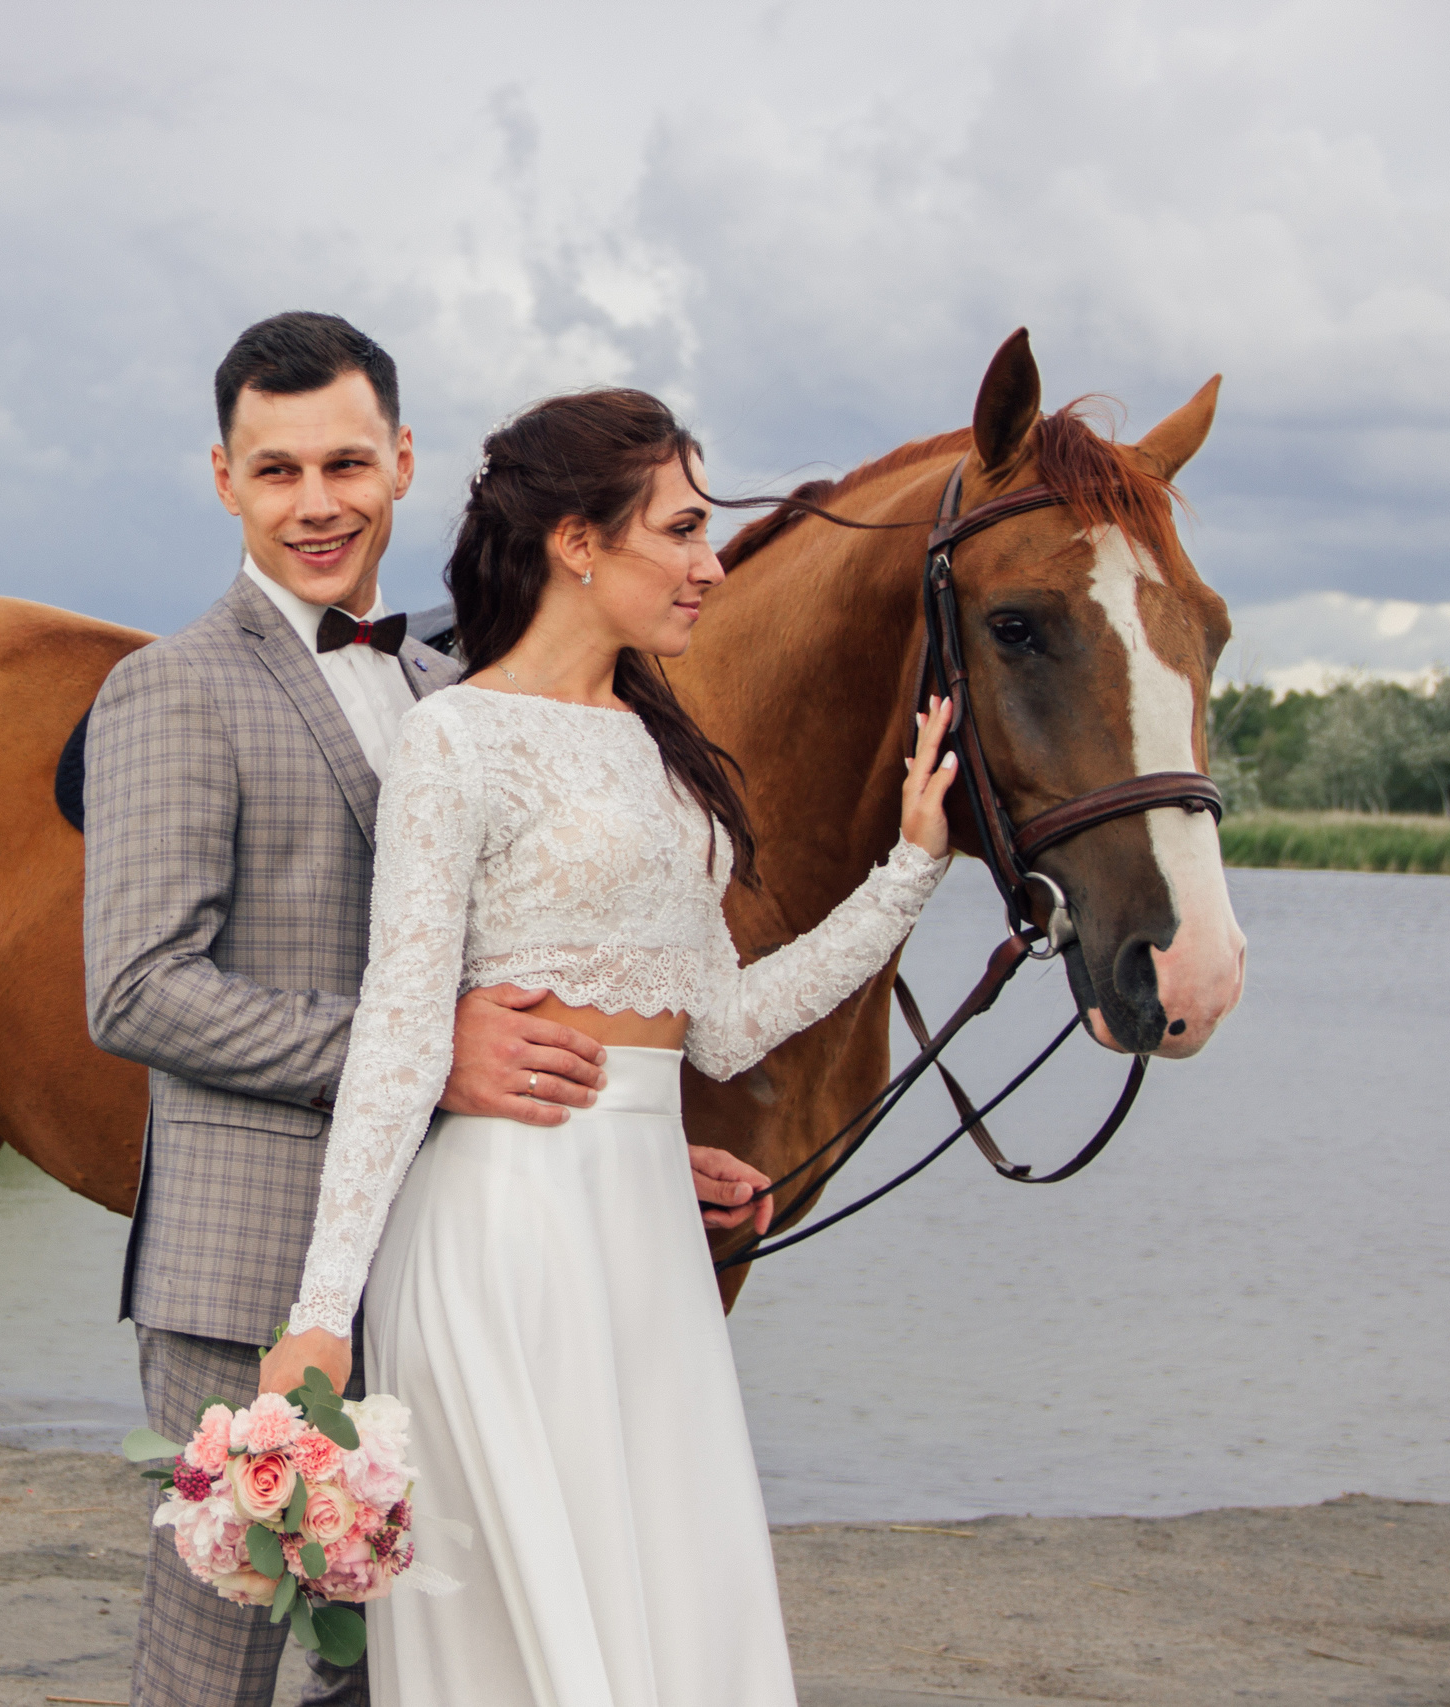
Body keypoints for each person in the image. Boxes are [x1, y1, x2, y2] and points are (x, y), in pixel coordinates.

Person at [84, 316, 770, 1707]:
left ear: (402, 464)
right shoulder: (169, 690)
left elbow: (522, 960)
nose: (317, 501)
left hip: (466, 1262)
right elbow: (137, 986)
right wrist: (436, 1060)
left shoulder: (456, 691)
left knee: (401, 1679)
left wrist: (614, 1136)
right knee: (207, 1677)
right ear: (223, 480)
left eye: (346, 461)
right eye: (276, 472)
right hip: (255, 1265)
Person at [255, 389, 959, 1704]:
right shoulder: (455, 739)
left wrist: (910, 872)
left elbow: (730, 1023)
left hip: (649, 1254)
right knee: (524, 1651)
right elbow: (402, 1045)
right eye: (682, 530)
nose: (709, 564)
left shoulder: (671, 761)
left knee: (676, 1627)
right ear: (577, 542)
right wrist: (318, 1322)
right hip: (500, 1243)